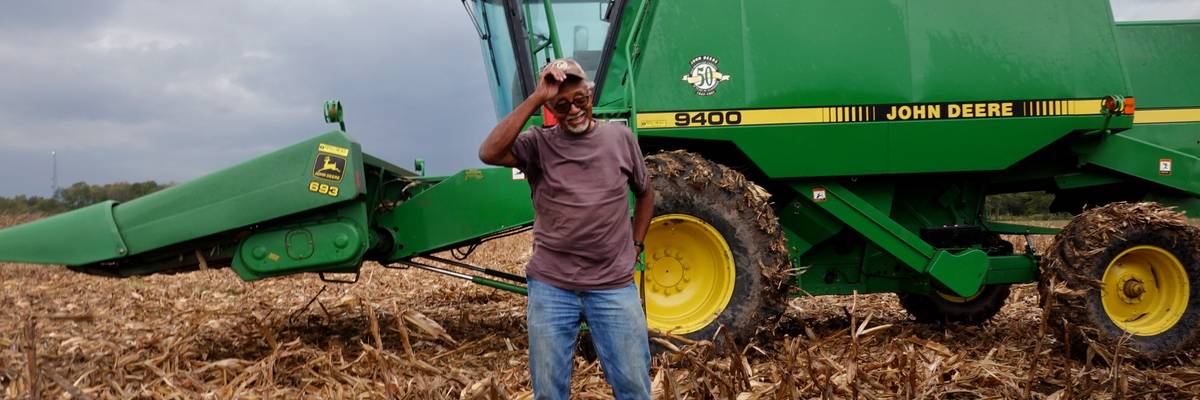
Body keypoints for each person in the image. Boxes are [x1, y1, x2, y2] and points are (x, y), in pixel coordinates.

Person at [478, 58, 654, 400]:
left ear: (590, 95)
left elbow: (646, 193)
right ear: (550, 109)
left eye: (580, 100)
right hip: (552, 287)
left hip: (613, 285)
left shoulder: (620, 138)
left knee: (634, 387)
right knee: (549, 392)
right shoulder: (537, 144)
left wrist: (636, 245)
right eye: (561, 105)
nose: (573, 110)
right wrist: (535, 97)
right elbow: (489, 152)